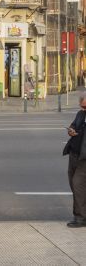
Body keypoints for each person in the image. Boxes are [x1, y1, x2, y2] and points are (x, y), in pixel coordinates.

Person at [63, 93, 86, 228]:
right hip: (74, 154)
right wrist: (71, 131)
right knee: (74, 184)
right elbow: (74, 125)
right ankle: (81, 214)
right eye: (82, 106)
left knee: (78, 185)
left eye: (85, 107)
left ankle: (80, 217)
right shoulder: (80, 114)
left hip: (84, 157)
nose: (83, 109)